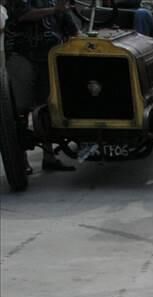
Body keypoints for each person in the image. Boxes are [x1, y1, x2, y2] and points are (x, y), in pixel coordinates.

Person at [5, 0, 78, 171]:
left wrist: (77, 38)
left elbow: (69, 23)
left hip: (50, 57)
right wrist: (55, 9)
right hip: (22, 55)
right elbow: (23, 14)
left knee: (47, 106)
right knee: (20, 109)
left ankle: (49, 157)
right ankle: (20, 160)